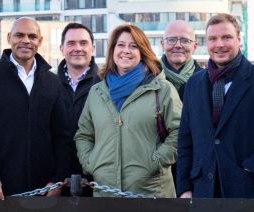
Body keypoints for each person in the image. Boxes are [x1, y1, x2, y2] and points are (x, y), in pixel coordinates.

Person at [176, 13, 254, 199]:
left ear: (239, 39)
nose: (219, 44)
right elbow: (186, 139)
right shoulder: (193, 84)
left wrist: (252, 167)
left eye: (226, 37)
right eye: (212, 39)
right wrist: (184, 187)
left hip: (247, 190)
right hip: (202, 191)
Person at [0, 17, 73, 199]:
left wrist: (57, 179)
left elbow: (62, 137)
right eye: (19, 35)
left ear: (40, 41)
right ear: (9, 38)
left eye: (32, 36)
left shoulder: (53, 83)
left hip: (44, 191)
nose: (26, 40)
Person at [75, 24, 181, 198]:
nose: (126, 51)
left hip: (151, 192)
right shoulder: (97, 92)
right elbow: (83, 135)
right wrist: (91, 163)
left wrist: (156, 162)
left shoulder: (162, 90)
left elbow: (180, 131)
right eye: (121, 45)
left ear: (142, 52)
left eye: (133, 46)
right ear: (112, 50)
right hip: (106, 193)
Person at [57, 22, 100, 185]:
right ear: (62, 48)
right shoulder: (48, 85)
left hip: (97, 180)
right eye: (71, 43)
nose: (78, 48)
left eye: (83, 43)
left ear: (93, 48)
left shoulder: (107, 84)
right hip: (57, 182)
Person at [160, 20, 200, 98]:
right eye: (171, 40)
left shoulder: (207, 80)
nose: (178, 45)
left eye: (185, 41)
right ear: (162, 44)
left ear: (194, 47)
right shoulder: (148, 78)